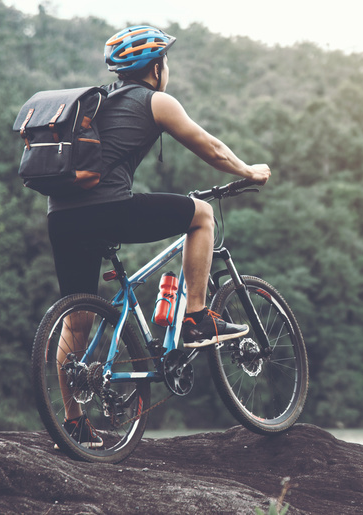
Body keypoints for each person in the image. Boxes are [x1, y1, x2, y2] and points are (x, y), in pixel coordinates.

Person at [46, 25, 271, 447]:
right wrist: (248, 171)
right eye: (164, 62)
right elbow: (210, 147)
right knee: (201, 215)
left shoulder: (98, 102)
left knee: (75, 320)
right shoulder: (155, 101)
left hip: (61, 217)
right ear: (155, 68)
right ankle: (198, 319)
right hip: (108, 209)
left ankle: (74, 423)